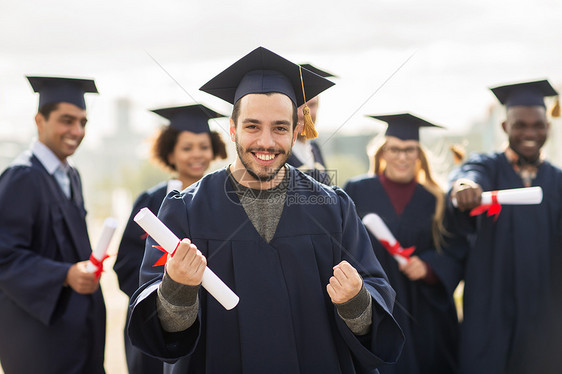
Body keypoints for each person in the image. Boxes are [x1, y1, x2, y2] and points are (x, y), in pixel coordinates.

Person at [127, 46, 404, 373]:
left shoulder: (333, 208)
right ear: (232, 128)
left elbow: (375, 302)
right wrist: (176, 287)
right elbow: (163, 335)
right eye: (253, 126)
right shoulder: (183, 212)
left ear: (296, 130)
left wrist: (356, 301)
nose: (267, 142)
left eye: (280, 128)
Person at [448, 79, 562, 374]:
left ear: (548, 127)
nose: (529, 133)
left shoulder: (558, 181)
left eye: (537, 125)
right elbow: (468, 175)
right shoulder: (488, 167)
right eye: (519, 125)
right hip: (490, 309)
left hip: (544, 315)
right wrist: (464, 186)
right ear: (504, 127)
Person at [0, 76, 106, 373]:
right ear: (40, 120)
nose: (77, 131)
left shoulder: (71, 175)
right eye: (67, 120)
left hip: (78, 329)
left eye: (83, 122)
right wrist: (65, 274)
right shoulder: (22, 177)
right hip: (38, 338)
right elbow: (4, 257)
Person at [345, 113, 463, 374]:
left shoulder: (437, 199)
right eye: (395, 149)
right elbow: (343, 246)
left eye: (410, 150)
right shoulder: (356, 190)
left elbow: (456, 250)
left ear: (419, 155)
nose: (402, 157)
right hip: (376, 303)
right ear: (383, 152)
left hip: (423, 311)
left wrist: (430, 267)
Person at [114, 104, 227, 374]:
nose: (197, 154)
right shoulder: (151, 201)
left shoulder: (223, 201)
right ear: (170, 153)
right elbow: (126, 264)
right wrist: (161, 295)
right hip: (158, 320)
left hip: (212, 321)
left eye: (203, 146)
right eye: (187, 148)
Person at [285, 63, 335, 184]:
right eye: (297, 105)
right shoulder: (279, 152)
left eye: (311, 105)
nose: (303, 114)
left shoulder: (314, 148)